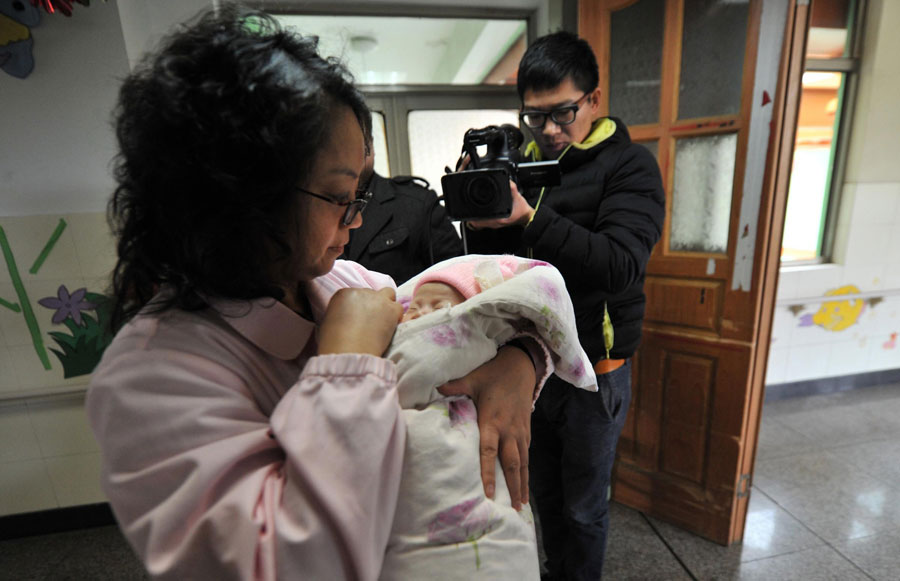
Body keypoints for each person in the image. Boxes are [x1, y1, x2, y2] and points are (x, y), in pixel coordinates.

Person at [85, 7, 538, 580]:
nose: (356, 221)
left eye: (360, 195)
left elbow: (489, 314)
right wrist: (347, 364)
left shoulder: (347, 282)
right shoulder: (148, 379)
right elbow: (290, 563)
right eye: (339, 197)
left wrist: (521, 359)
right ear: (241, 197)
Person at [464, 31, 666, 580]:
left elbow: (619, 264)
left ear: (593, 100)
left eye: (563, 113)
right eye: (535, 116)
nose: (550, 130)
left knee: (583, 507)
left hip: (595, 371)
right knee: (543, 497)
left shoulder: (629, 165)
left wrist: (531, 218)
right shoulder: (518, 166)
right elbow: (495, 268)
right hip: (528, 366)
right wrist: (482, 212)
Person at [380, 254, 597, 580]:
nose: (422, 314)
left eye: (438, 307)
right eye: (415, 307)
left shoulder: (480, 332)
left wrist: (525, 356)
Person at [341, 142, 463, 284]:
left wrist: (474, 228)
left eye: (360, 147)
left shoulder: (418, 204)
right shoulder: (319, 209)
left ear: (371, 147)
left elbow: (459, 274)